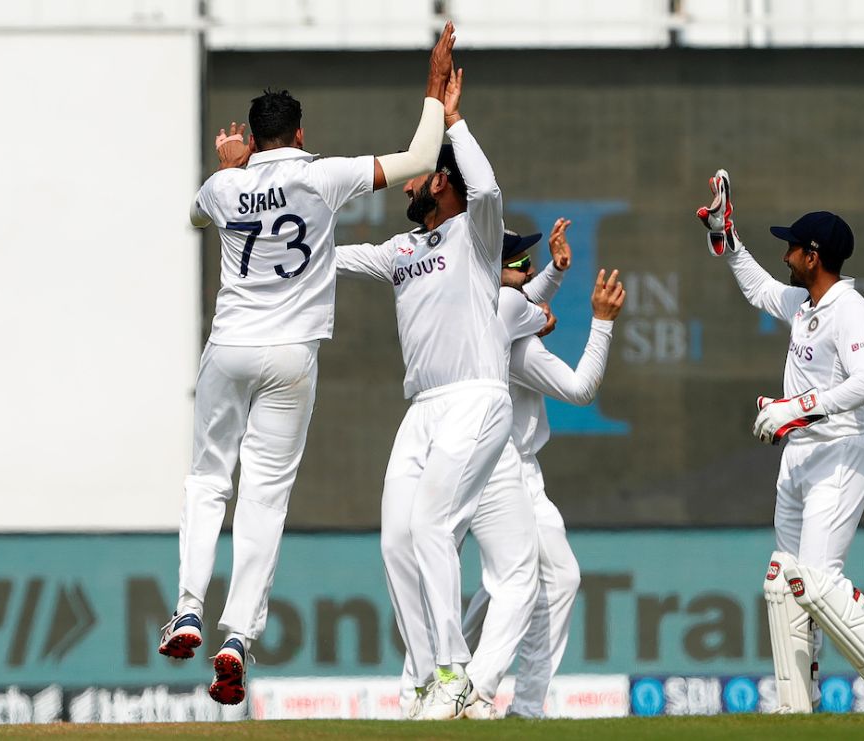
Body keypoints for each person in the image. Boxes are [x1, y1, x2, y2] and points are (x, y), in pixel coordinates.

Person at [156, 22, 458, 707]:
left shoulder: (222, 185)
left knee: (208, 480)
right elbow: (418, 155)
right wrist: (434, 87)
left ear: (253, 137)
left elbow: (196, 218)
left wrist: (230, 169)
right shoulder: (323, 175)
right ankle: (237, 636)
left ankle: (189, 608)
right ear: (297, 134)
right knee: (265, 494)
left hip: (229, 347)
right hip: (292, 355)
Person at [696, 169, 864, 713]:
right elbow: (756, 286)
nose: (787, 256)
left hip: (840, 455)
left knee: (816, 582)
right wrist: (728, 238)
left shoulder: (850, 309)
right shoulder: (805, 307)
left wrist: (795, 410)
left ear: (814, 255)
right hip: (798, 461)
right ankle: (797, 704)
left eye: (792, 248)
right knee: (784, 583)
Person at [334, 66, 514, 720]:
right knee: (397, 540)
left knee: (434, 526)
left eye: (417, 173)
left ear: (440, 179)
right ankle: (419, 676)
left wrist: (453, 119)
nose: (405, 183)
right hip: (423, 410)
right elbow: (331, 259)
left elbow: (487, 187)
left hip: (475, 397)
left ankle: (453, 672)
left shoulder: (477, 237)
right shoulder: (402, 250)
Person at [460, 221, 626, 719]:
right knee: (529, 581)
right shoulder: (517, 345)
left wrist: (554, 270)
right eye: (519, 263)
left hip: (512, 469)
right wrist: (601, 321)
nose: (529, 270)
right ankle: (477, 690)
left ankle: (456, 679)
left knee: (529, 581)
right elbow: (580, 389)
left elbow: (523, 294)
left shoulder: (490, 312)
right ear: (497, 274)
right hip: (504, 471)